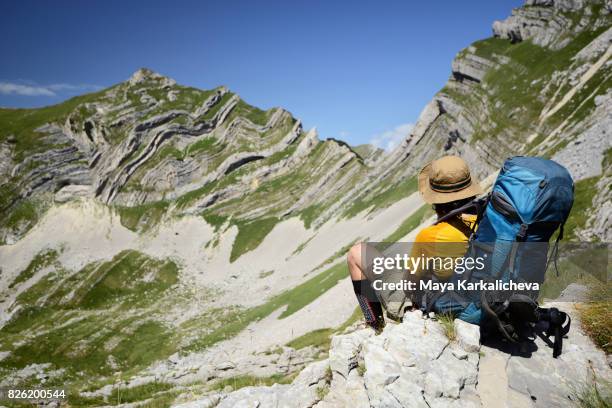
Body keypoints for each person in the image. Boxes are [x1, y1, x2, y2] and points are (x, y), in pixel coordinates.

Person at [346, 155, 483, 332]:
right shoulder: (486, 220)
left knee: (357, 253)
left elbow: (410, 285)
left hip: (432, 301)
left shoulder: (431, 236)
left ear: (436, 199)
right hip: (475, 296)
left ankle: (373, 323)